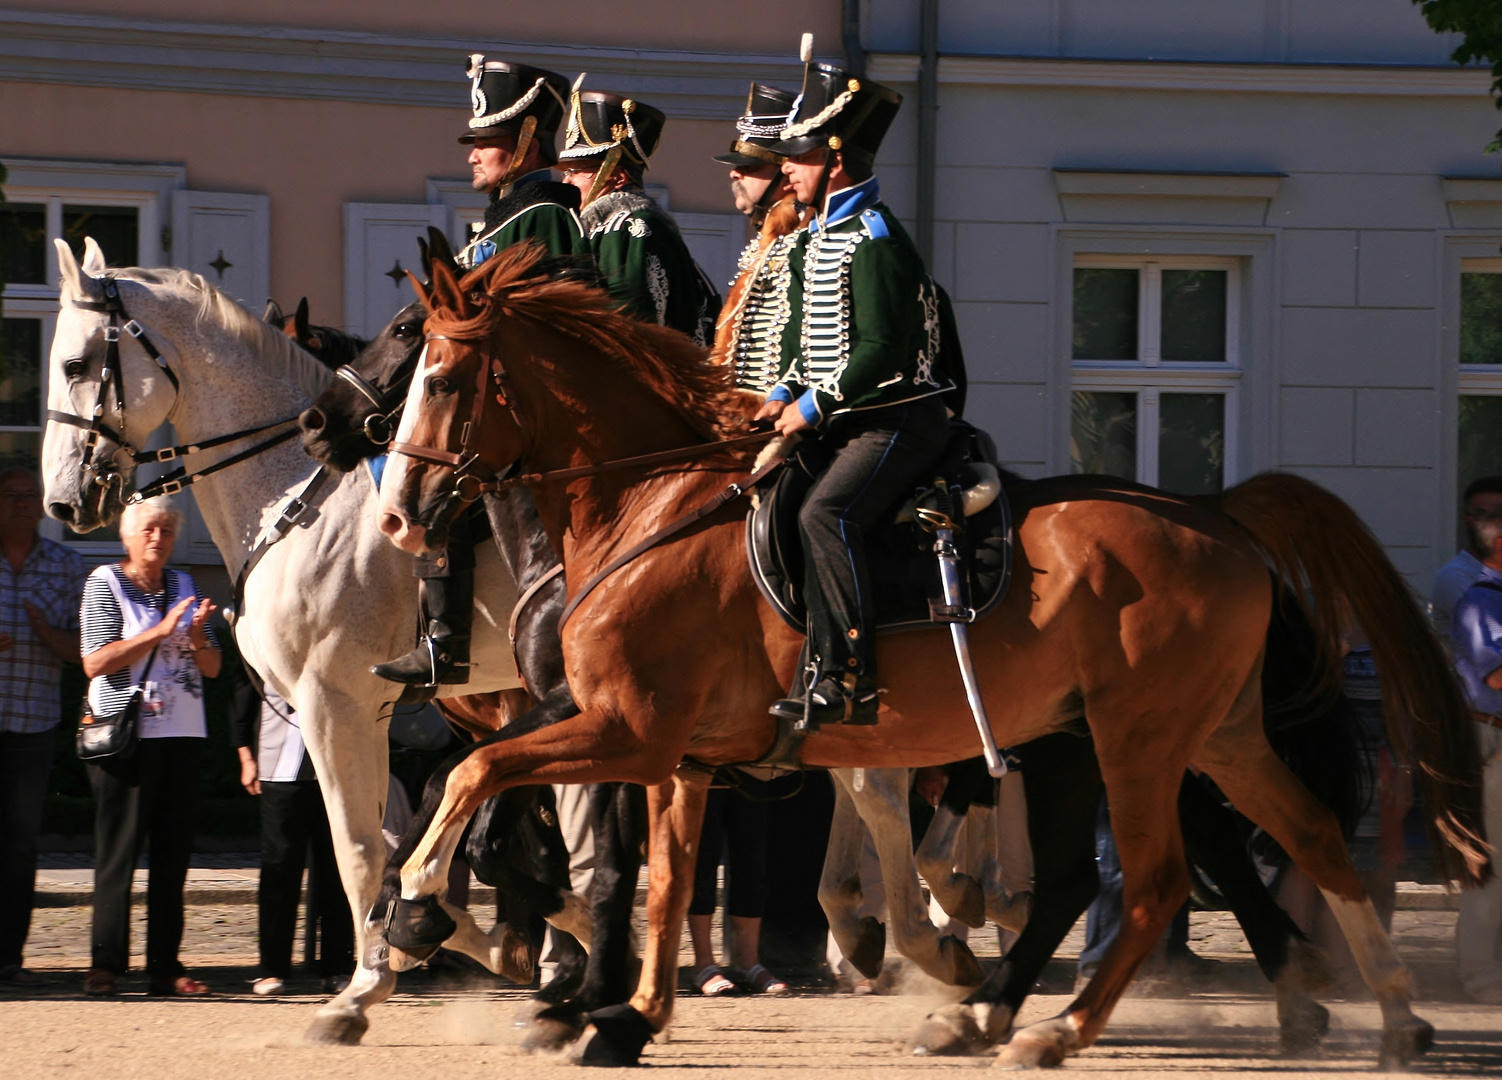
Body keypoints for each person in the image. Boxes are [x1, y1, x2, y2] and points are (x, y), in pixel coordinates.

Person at [759, 53, 962, 727]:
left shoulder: (876, 239)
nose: (786, 167)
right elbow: (803, 341)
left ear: (836, 159)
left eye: (800, 154)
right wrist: (782, 392)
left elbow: (883, 351)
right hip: (845, 418)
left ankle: (848, 674)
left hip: (896, 418)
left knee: (828, 515)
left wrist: (813, 405)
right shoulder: (817, 236)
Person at [373, 56, 584, 692]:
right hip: (485, 386)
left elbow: (558, 310)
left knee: (446, 489)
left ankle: (447, 640)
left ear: (525, 142)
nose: (473, 155)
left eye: (486, 142)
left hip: (524, 399)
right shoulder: (497, 219)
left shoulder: (546, 212)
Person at [80, 495, 220, 997]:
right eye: (149, 530)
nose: (158, 539)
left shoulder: (184, 584)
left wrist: (200, 636)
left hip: (183, 732)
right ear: (127, 536)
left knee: (172, 857)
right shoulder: (106, 582)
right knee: (118, 854)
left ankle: (165, 966)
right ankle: (105, 964)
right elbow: (95, 662)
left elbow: (212, 668)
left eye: (166, 530)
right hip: (127, 735)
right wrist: (160, 633)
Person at [557, 76, 721, 344]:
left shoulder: (627, 227)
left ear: (617, 177)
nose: (566, 181)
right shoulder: (606, 226)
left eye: (575, 172)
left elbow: (627, 329)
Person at [0, 467, 83, 987]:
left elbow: (85, 651)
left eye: (32, 496)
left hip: (33, 726)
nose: (24, 504)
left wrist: (45, 634)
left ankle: (8, 957)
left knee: (19, 845)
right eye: (12, 496)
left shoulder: (67, 565)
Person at [229, 673, 353, 994]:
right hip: (279, 767)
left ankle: (337, 966)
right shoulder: (266, 638)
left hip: (337, 767)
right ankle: (273, 968)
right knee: (279, 868)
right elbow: (243, 692)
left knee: (337, 871)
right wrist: (245, 755)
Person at [710, 81, 807, 394]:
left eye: (750, 165)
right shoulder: (766, 246)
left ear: (787, 172)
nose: (734, 173)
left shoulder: (806, 242)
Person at [1444, 487, 1502, 1005]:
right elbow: (1495, 674)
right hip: (1492, 736)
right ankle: (1480, 977)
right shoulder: (1481, 597)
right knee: (1491, 864)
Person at [687, 772, 790, 996]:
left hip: (749, 761)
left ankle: (748, 963)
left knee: (752, 860)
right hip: (701, 759)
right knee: (703, 858)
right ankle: (703, 964)